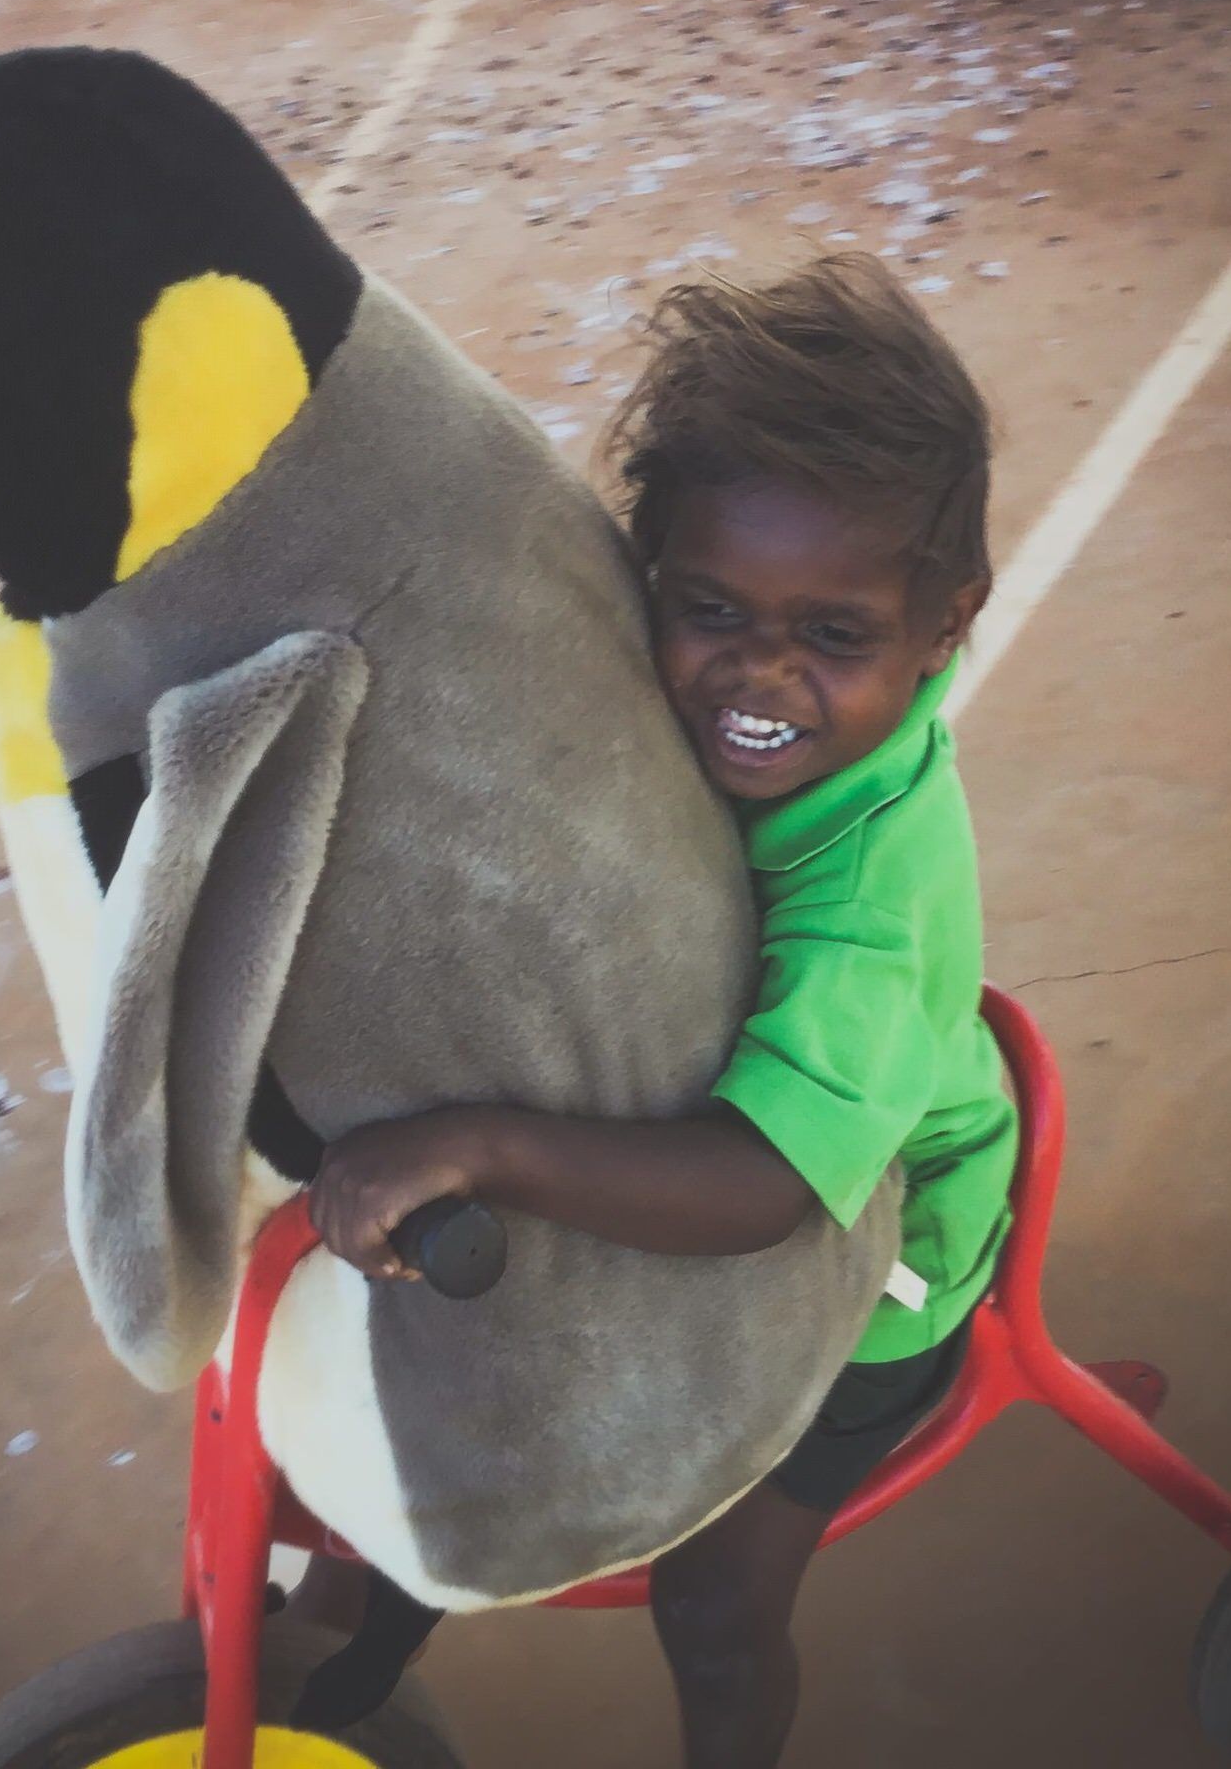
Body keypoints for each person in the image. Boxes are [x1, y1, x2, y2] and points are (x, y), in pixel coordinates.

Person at [309, 252, 1019, 1768]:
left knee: (711, 1605)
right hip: (698, 1109)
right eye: (710, 610)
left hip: (880, 1239)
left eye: (836, 637)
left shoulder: (878, 891)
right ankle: (357, 1620)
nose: (759, 675)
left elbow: (767, 1189)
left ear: (947, 624)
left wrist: (485, 1144)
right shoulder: (673, 690)